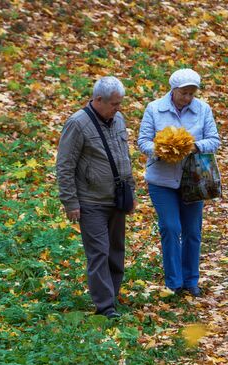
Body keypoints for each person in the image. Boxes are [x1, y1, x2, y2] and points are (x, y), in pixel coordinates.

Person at [56, 76, 136, 319]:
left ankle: (112, 295)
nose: (118, 108)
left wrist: (131, 191)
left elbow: (124, 157)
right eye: (114, 104)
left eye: (120, 103)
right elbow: (65, 165)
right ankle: (105, 307)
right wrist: (70, 202)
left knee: (116, 251)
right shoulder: (77, 124)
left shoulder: (118, 119)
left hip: (118, 198)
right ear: (98, 100)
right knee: (99, 252)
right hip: (91, 202)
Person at [137, 68, 220, 297]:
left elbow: (214, 140)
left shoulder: (203, 109)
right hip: (161, 180)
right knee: (171, 228)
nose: (188, 98)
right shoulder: (155, 109)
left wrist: (194, 146)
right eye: (184, 93)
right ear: (173, 90)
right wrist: (160, 150)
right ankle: (173, 282)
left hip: (193, 179)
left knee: (192, 231)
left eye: (192, 93)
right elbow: (142, 141)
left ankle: (191, 280)